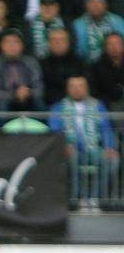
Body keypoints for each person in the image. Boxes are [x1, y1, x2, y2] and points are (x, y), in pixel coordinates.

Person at [48, 74, 119, 210]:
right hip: (70, 149)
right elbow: (54, 131)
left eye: (80, 86)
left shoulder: (98, 105)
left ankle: (95, 197)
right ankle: (78, 198)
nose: (77, 89)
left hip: (93, 148)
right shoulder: (57, 108)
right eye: (73, 86)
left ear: (87, 88)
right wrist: (63, 145)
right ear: (67, 89)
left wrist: (109, 147)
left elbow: (106, 129)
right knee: (72, 157)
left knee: (112, 160)